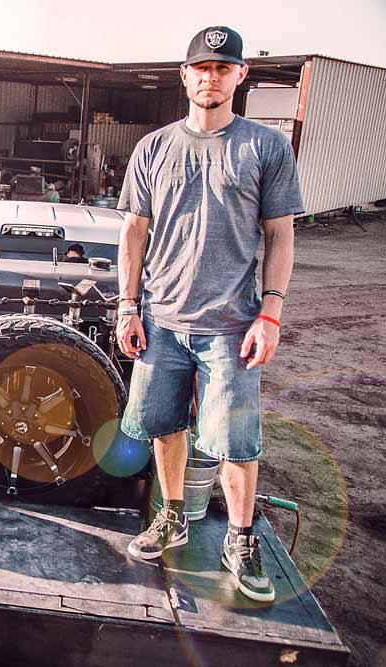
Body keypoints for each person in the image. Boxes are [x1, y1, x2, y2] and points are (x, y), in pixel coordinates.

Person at [115, 26, 301, 603]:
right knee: (164, 427)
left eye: (224, 68)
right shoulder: (154, 148)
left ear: (240, 76)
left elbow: (280, 234)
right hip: (163, 320)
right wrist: (128, 305)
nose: (212, 77)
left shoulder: (265, 148)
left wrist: (270, 313)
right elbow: (133, 231)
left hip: (232, 326)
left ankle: (241, 539)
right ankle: (173, 515)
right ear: (186, 74)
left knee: (235, 440)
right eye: (203, 68)